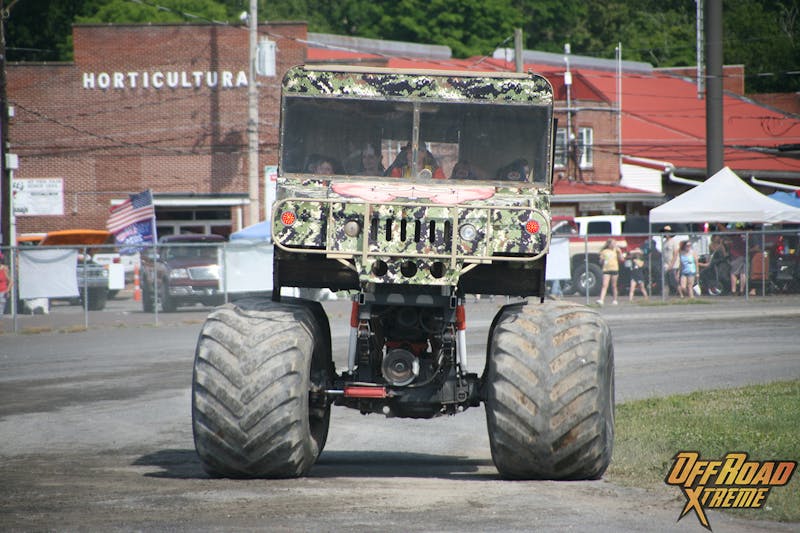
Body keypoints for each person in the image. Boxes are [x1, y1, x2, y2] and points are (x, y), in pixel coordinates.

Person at [597, 239, 623, 306]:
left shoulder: (616, 250)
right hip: (606, 269)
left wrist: (620, 252)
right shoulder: (604, 251)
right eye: (613, 243)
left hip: (614, 269)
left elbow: (621, 259)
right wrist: (602, 260)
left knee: (614, 285)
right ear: (609, 244)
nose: (614, 245)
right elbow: (600, 261)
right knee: (604, 285)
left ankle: (615, 300)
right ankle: (601, 300)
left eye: (615, 243)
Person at [661, 226, 680, 297]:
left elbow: (675, 254)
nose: (666, 234)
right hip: (666, 265)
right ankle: (668, 296)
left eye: (668, 232)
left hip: (673, 265)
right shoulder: (664, 242)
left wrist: (671, 265)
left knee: (674, 281)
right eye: (665, 232)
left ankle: (681, 294)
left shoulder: (674, 242)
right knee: (667, 281)